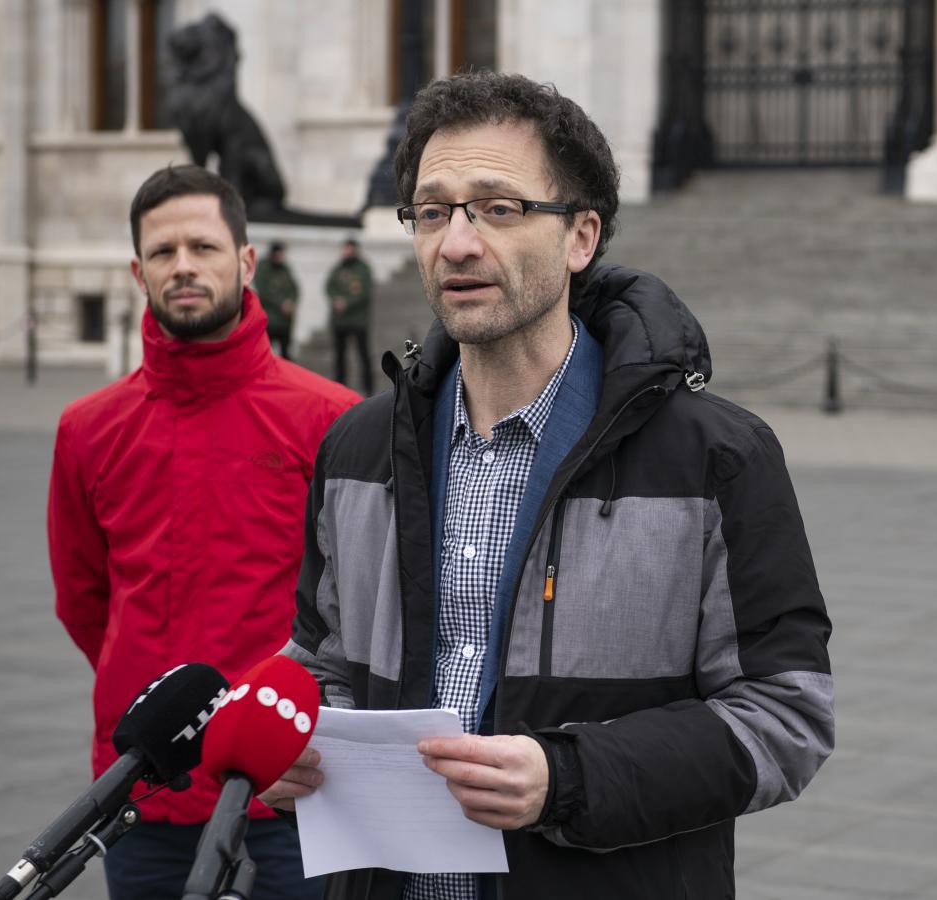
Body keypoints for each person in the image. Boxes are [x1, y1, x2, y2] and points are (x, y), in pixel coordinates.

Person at [261, 72, 835, 899]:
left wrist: (567, 779)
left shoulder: (717, 458)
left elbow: (786, 719)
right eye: (433, 210)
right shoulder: (358, 447)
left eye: (498, 207)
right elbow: (321, 662)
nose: (456, 243)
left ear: (580, 236)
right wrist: (294, 746)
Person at [47, 165, 360, 900]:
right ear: (137, 270)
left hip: (286, 790)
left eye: (203, 246)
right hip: (142, 789)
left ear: (245, 261)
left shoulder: (333, 420)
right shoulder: (88, 429)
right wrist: (145, 684)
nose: (183, 266)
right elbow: (84, 598)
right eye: (163, 252)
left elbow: (362, 608)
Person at [326, 237, 373, 394]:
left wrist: (346, 302)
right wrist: (336, 300)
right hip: (340, 321)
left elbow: (365, 292)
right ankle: (339, 386)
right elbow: (329, 286)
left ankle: (368, 387)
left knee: (363, 355)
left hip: (358, 320)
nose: (347, 251)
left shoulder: (363, 268)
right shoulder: (338, 268)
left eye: (350, 248)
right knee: (339, 356)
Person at [255, 241, 299, 358]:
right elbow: (263, 291)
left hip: (284, 321)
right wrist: (281, 304)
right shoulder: (263, 268)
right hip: (269, 320)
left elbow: (294, 288)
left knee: (286, 354)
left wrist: (291, 302)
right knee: (265, 352)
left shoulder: (285, 269)